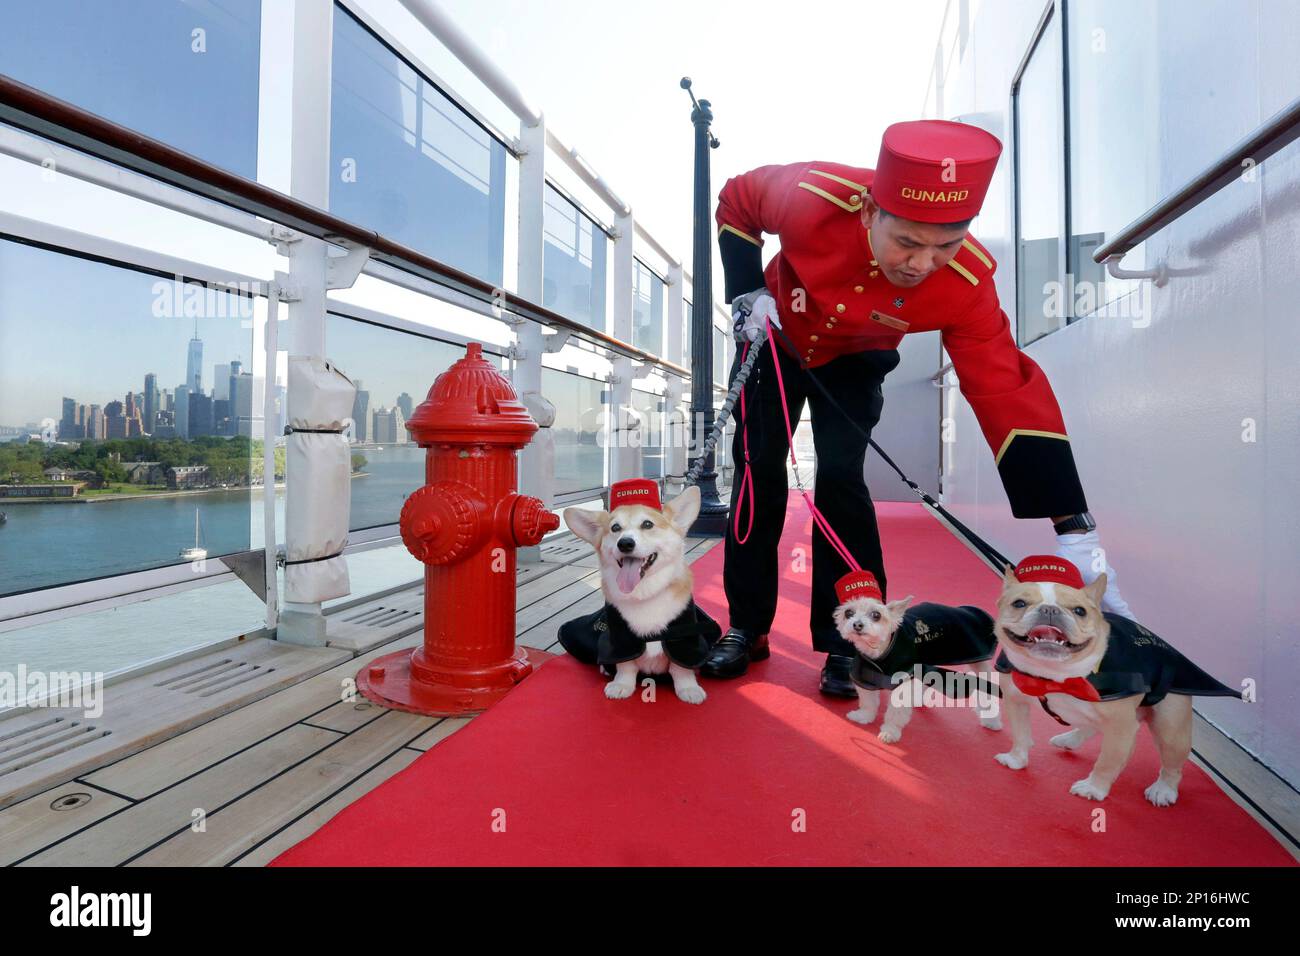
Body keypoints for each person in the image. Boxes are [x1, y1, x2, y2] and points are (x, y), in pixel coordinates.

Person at [705, 119, 1133, 697]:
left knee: (840, 477)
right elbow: (736, 200)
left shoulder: (967, 284)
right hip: (773, 335)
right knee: (758, 472)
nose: (922, 264)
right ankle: (746, 624)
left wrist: (1073, 528)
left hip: (857, 359)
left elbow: (1005, 388)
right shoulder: (814, 194)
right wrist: (746, 290)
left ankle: (846, 641)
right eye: (907, 241)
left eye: (945, 246)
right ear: (868, 214)